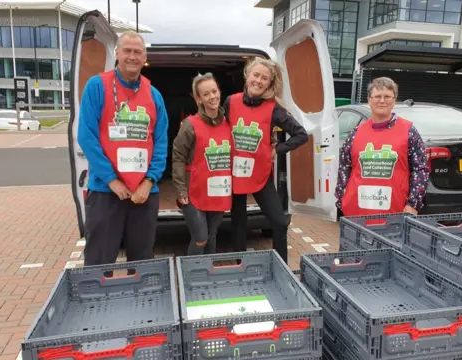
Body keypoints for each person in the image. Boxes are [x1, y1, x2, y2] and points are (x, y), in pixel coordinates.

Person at [78, 30, 169, 266]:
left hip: (144, 194)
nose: (132, 56)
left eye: (137, 52)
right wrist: (112, 180)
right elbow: (86, 137)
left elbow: (160, 143)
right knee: (99, 262)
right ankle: (96, 302)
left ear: (144, 57)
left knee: (142, 264)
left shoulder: (155, 95)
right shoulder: (97, 86)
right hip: (106, 191)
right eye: (127, 50)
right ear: (116, 53)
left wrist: (148, 182)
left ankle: (141, 302)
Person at [223, 57, 308, 263]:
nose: (259, 81)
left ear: (270, 84)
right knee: (238, 223)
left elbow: (301, 134)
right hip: (234, 172)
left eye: (265, 79)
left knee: (279, 222)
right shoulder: (230, 102)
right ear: (247, 75)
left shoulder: (273, 109)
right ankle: (239, 263)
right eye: (256, 75)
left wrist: (277, 149)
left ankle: (281, 267)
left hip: (260, 174)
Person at [335, 77, 429, 217]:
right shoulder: (356, 133)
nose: (382, 100)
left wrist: (413, 204)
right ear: (369, 100)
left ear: (394, 100)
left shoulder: (408, 131)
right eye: (377, 96)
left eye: (387, 96)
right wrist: (342, 199)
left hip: (395, 215)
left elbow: (420, 169)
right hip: (357, 213)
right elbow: (344, 168)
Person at [172, 73, 232, 255]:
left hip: (218, 190)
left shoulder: (229, 123)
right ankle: (191, 275)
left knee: (212, 235)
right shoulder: (189, 125)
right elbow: (178, 157)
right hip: (193, 192)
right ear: (199, 99)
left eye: (214, 91)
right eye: (206, 94)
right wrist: (181, 190)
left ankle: (207, 275)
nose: (212, 97)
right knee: (201, 238)